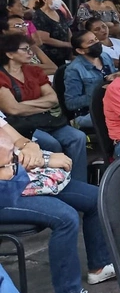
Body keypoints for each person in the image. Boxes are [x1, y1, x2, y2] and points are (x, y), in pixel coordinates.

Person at [0, 113, 114, 293]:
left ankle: (99, 267)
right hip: (5, 191)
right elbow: (5, 165)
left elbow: (19, 141)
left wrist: (31, 148)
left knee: (95, 197)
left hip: (21, 178)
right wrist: (46, 159)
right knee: (65, 217)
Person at [0, 34, 88, 183]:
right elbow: (12, 110)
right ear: (9, 54)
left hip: (46, 120)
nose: (31, 53)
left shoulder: (34, 71)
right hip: (22, 126)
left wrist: (23, 105)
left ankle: (78, 182)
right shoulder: (2, 76)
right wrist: (40, 104)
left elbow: (52, 99)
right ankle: (56, 181)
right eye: (25, 49)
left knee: (77, 137)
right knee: (51, 143)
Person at [64, 30, 117, 128]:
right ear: (80, 50)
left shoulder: (105, 57)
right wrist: (98, 93)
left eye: (96, 39)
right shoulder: (73, 70)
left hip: (112, 105)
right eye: (91, 42)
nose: (97, 43)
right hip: (89, 113)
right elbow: (71, 103)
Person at [31, 0, 73, 65]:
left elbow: (67, 29)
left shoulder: (59, 12)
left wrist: (72, 43)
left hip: (65, 55)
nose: (58, 1)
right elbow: (45, 39)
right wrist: (66, 44)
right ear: (44, 0)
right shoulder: (39, 16)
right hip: (50, 56)